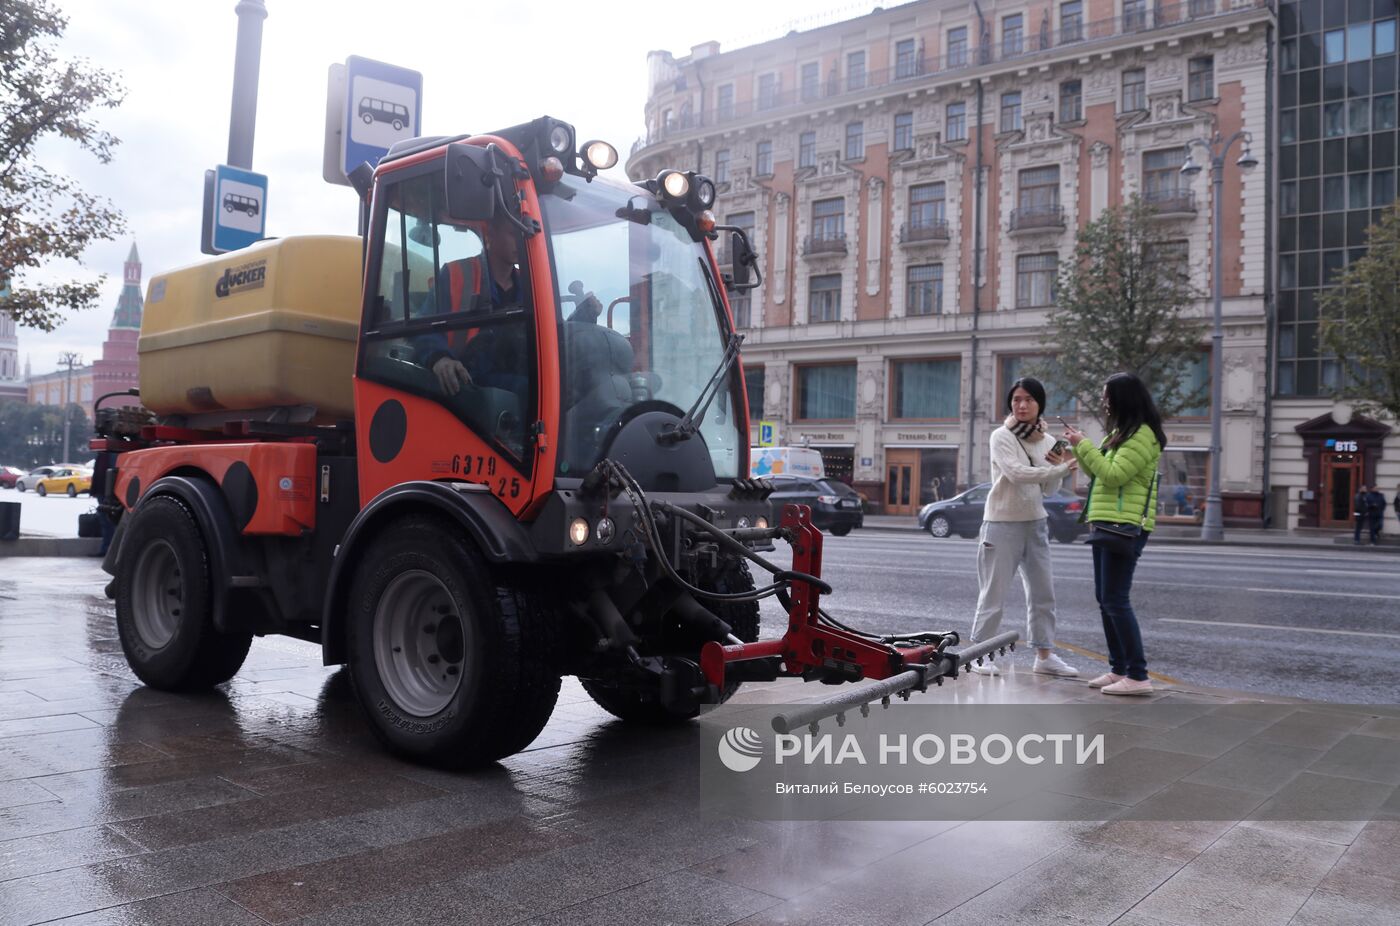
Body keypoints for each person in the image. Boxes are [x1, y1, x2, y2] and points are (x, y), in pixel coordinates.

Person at [969, 377, 1080, 678]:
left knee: (1044, 592)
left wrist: (1059, 467)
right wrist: (1060, 468)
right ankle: (979, 654)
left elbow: (1049, 488)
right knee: (994, 592)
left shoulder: (1046, 441)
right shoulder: (1001, 436)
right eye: (1016, 399)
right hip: (1001, 523)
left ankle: (1044, 655)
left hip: (1035, 523)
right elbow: (1016, 474)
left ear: (1039, 404)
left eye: (1028, 399)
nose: (1021, 405)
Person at [1062, 372, 1165, 696]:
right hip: (1107, 521)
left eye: (1107, 396)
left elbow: (1114, 475)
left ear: (1123, 398)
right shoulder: (1122, 433)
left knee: (1116, 600)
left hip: (1127, 524)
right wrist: (1080, 447)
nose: (1103, 402)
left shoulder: (1142, 436)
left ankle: (1138, 675)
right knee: (1105, 600)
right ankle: (1118, 668)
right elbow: (1096, 473)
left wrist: (1084, 444)